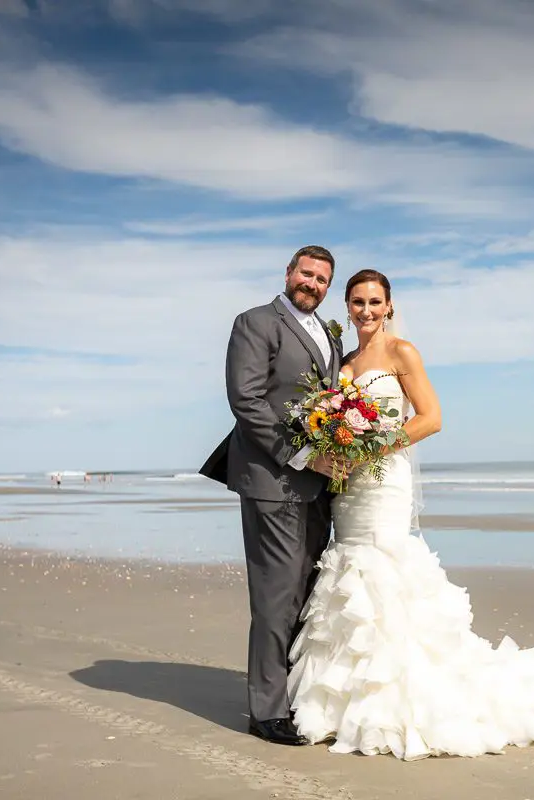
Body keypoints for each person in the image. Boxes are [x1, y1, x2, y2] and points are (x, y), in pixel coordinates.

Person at [286, 269, 534, 760]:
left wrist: (375, 447)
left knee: (383, 573)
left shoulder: (401, 352)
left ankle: (394, 702)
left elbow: (431, 418)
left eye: (374, 302)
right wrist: (335, 445)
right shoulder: (345, 361)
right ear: (347, 307)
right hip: (347, 487)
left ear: (389, 306)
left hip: (384, 482)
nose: (366, 310)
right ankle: (342, 701)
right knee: (349, 570)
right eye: (357, 302)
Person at [199, 245, 345, 746]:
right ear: (288, 273)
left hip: (318, 486)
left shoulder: (329, 334)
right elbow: (246, 399)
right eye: (306, 274)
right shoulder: (256, 322)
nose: (312, 284)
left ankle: (290, 694)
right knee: (275, 595)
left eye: (322, 279)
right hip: (272, 478)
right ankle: (266, 711)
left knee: (305, 592)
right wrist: (302, 455)